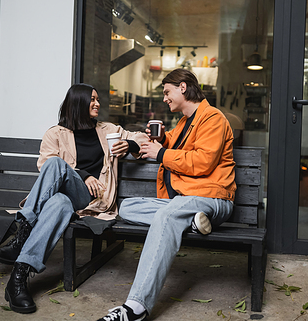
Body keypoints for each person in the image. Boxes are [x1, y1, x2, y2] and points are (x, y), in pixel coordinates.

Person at [0, 84, 149, 314]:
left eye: (97, 99)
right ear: (78, 103)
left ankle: (21, 234)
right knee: (58, 202)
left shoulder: (108, 130)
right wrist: (83, 176)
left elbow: (144, 138)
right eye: (92, 100)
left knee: (57, 168)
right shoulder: (55, 134)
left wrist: (131, 144)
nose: (97, 104)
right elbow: (46, 167)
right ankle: (18, 278)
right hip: (66, 197)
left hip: (94, 199)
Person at [96, 69, 236, 321]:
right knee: (126, 207)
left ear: (183, 87)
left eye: (167, 92)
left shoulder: (213, 118)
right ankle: (192, 221)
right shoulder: (184, 122)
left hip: (214, 199)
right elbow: (164, 141)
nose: (164, 98)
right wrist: (138, 144)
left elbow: (202, 162)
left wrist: (160, 154)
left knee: (168, 216)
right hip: (184, 201)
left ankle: (135, 307)